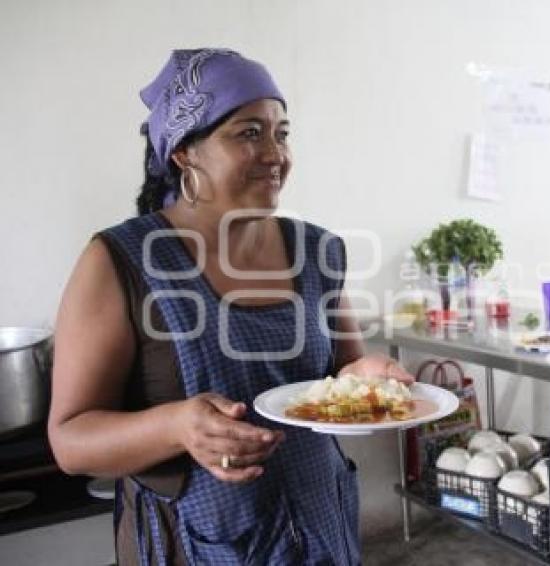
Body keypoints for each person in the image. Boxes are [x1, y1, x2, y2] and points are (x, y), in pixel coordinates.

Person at [48, 49, 411, 565]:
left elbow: (340, 370)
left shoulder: (317, 250)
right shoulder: (119, 261)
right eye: (248, 133)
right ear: (185, 152)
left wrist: (367, 373)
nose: (275, 153)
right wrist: (176, 427)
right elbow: (70, 441)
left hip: (321, 530)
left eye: (282, 133)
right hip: (198, 541)